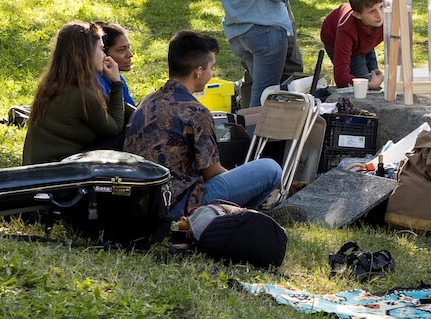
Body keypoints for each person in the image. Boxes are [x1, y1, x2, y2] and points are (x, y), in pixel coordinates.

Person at [125, 30, 283, 218]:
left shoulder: (147, 102)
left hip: (141, 204)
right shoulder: (195, 111)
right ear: (198, 72)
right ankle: (244, 216)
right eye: (211, 67)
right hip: (180, 205)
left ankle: (243, 214)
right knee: (270, 169)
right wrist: (244, 182)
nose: (212, 73)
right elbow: (213, 173)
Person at [22, 21, 128, 163]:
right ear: (87, 54)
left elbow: (125, 112)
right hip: (54, 172)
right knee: (127, 134)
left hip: (40, 168)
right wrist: (116, 83)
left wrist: (145, 112)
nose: (105, 56)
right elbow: (114, 128)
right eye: (101, 50)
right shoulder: (81, 95)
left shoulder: (57, 85)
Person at [319, 0, 386, 92]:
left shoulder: (385, 17)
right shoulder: (346, 30)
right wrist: (368, 84)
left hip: (365, 39)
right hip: (336, 38)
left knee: (376, 78)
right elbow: (341, 77)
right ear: (357, 15)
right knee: (363, 86)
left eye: (381, 7)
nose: (379, 15)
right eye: (372, 11)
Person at [94, 21, 137, 108]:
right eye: (121, 50)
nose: (130, 55)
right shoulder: (95, 83)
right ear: (104, 53)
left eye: (128, 48)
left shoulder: (119, 79)